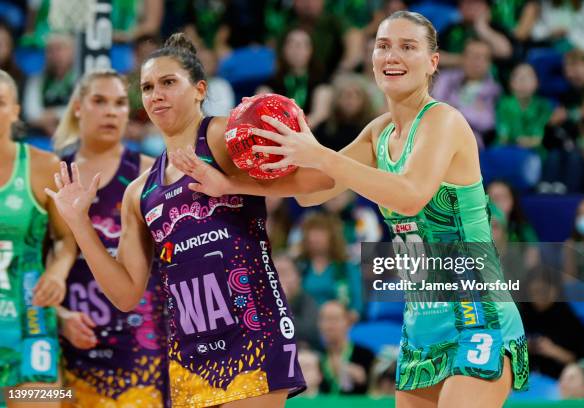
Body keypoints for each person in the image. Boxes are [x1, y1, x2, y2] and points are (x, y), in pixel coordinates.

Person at [171, 11, 530, 408]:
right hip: (422, 320)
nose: (392, 55)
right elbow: (311, 191)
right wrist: (231, 183)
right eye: (383, 46)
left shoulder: (444, 121)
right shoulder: (378, 132)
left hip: (475, 311)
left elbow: (409, 194)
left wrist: (320, 153)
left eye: (408, 47)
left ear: (433, 63)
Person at [45, 33, 337, 407]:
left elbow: (320, 179)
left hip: (251, 334)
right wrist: (79, 224)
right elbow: (125, 293)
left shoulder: (223, 136)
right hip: (189, 355)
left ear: (200, 89)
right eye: (147, 87)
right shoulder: (138, 191)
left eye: (168, 82)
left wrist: (228, 183)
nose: (156, 95)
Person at [51, 69, 167, 407]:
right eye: (99, 101)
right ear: (77, 107)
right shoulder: (50, 174)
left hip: (142, 350)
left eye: (119, 104)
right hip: (71, 349)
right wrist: (59, 317)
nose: (111, 111)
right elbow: (34, 264)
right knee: (26, 395)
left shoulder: (150, 172)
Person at [0, 69, 76, 407]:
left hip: (29, 324)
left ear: (16, 110)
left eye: (0, 103)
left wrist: (57, 273)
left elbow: (65, 240)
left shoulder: (44, 165)